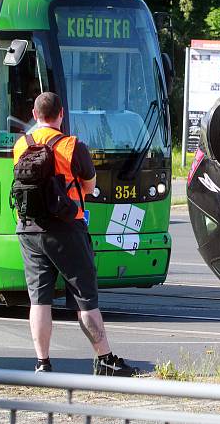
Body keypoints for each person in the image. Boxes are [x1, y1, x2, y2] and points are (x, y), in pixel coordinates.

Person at [13, 92, 139, 376]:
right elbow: (89, 186)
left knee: (39, 299)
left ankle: (42, 363)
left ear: (35, 115)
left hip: (28, 227)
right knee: (85, 298)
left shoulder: (21, 145)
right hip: (66, 228)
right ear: (61, 115)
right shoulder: (72, 146)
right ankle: (104, 358)